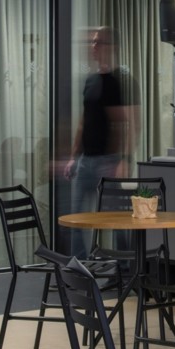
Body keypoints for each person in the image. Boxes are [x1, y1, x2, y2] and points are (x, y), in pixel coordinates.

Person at [64, 26, 140, 257]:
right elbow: (83, 121)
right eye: (93, 42)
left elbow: (131, 123)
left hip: (109, 161)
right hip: (86, 160)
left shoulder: (121, 81)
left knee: (115, 219)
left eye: (99, 42)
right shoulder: (91, 80)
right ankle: (80, 265)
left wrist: (124, 159)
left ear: (112, 47)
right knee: (75, 217)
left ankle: (125, 265)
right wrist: (73, 156)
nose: (93, 46)